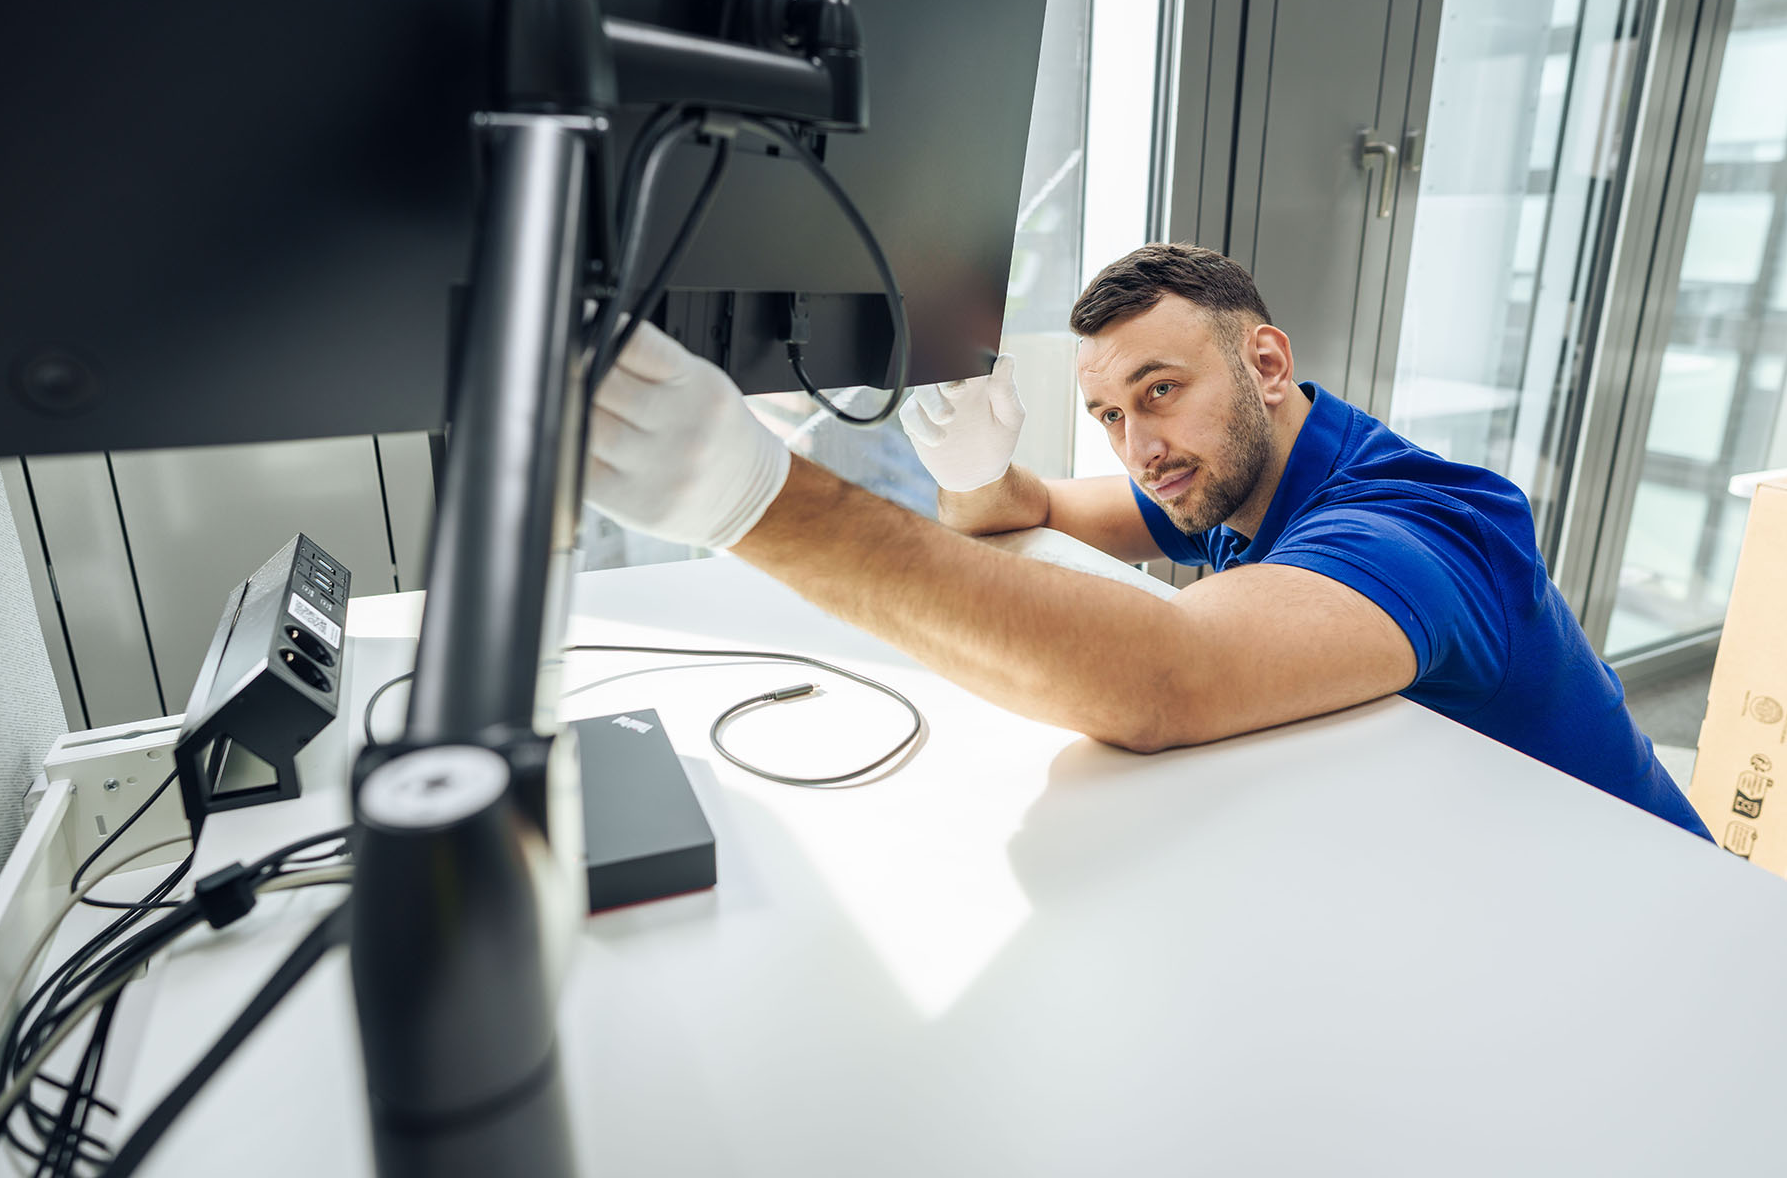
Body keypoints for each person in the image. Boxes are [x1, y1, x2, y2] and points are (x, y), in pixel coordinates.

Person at [585, 242, 1712, 839]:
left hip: (1656, 920)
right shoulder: (1227, 478)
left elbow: (1165, 677)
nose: (1140, 445)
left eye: (1161, 390)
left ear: (1267, 364)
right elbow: (1020, 519)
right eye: (1112, 415)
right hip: (1455, 858)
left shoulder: (1413, 526)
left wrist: (754, 498)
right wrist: (977, 469)